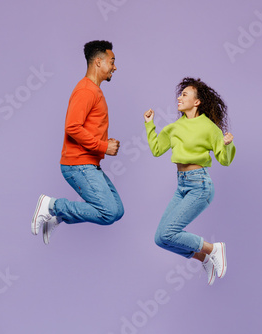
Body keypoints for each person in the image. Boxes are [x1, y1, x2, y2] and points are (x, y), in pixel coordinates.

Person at [143, 77, 236, 285]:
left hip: (200, 186)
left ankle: (214, 249)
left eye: (184, 94)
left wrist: (227, 144)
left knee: (170, 232)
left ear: (197, 102)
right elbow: (157, 150)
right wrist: (150, 126)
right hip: (182, 185)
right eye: (180, 94)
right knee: (161, 238)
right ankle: (204, 257)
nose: (179, 97)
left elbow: (224, 159)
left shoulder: (209, 127)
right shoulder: (174, 127)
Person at [31, 40, 124, 244]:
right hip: (78, 165)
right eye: (112, 61)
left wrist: (104, 141)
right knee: (107, 212)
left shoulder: (94, 91)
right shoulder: (86, 90)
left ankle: (58, 217)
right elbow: (72, 127)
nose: (115, 67)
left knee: (117, 211)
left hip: (88, 163)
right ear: (98, 62)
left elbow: (85, 127)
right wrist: (103, 146)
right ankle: (52, 206)